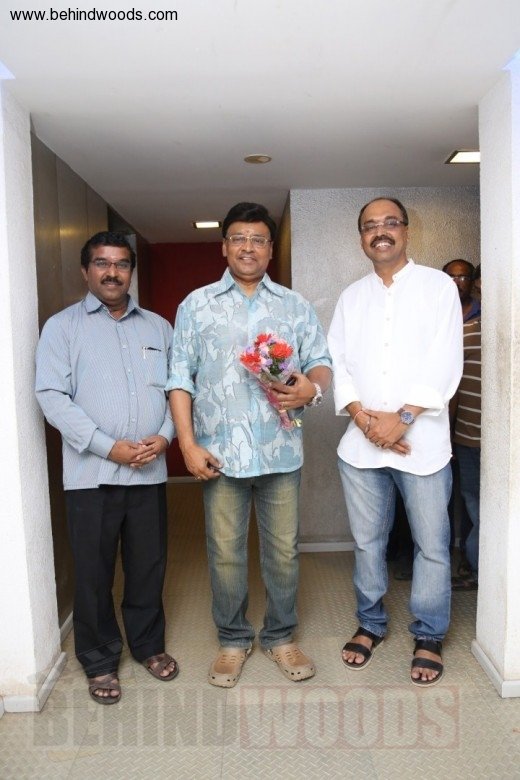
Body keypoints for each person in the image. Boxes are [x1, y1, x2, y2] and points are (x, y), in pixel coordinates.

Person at [167, 202, 332, 688]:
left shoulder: (294, 305)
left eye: (258, 240)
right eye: (238, 238)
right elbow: (179, 378)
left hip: (281, 450)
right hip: (219, 455)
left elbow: (321, 362)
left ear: (270, 249)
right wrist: (187, 445)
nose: (248, 247)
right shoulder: (196, 305)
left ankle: (280, 636)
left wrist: (312, 388)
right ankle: (233, 640)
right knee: (225, 553)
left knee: (283, 553)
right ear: (224, 246)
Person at [36, 231, 178, 705]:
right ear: (86, 271)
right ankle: (98, 660)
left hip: (149, 472)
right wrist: (106, 447)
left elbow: (178, 390)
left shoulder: (158, 327)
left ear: (130, 271)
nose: (112, 273)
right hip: (90, 477)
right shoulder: (62, 328)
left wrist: (166, 435)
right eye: (102, 263)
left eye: (121, 264)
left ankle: (148, 645)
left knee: (148, 565)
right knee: (93, 572)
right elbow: (51, 396)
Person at [328, 197, 463, 686]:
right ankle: (370, 623)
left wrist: (402, 419)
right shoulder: (351, 297)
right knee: (368, 543)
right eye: (370, 226)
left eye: (389, 223)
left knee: (432, 546)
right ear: (361, 237)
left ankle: (429, 634)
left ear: (406, 230)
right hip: (360, 447)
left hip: (423, 445)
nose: (380, 231)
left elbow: (445, 359)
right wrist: (365, 420)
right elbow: (338, 362)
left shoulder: (437, 287)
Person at [450, 265, 481, 590]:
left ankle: (480, 570)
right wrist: (448, 433)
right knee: (471, 502)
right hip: (467, 436)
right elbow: (452, 387)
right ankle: (474, 568)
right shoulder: (467, 331)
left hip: (503, 441)